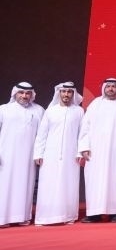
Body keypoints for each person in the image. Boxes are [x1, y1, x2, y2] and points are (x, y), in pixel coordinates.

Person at [79, 77, 116, 223]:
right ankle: (93, 214)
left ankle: (114, 213)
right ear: (103, 88)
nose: (111, 89)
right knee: (94, 181)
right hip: (95, 151)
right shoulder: (95, 104)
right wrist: (84, 147)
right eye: (108, 86)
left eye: (114, 86)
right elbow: (85, 126)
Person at [33, 82, 85, 225]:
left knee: (69, 184)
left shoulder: (79, 111)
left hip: (71, 155)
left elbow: (82, 134)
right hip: (50, 154)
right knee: (48, 184)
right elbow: (42, 134)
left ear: (73, 94)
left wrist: (80, 152)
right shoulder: (50, 111)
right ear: (59, 93)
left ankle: (68, 216)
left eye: (69, 92)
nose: (66, 94)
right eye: (63, 91)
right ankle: (44, 217)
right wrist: (38, 154)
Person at [0, 82, 44, 228]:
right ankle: (3, 218)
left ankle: (22, 217)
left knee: (25, 185)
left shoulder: (39, 110)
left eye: (28, 93)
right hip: (6, 156)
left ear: (32, 95)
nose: (24, 96)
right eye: (21, 93)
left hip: (28, 158)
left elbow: (42, 135)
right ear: (15, 93)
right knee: (5, 185)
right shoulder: (4, 109)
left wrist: (39, 153)